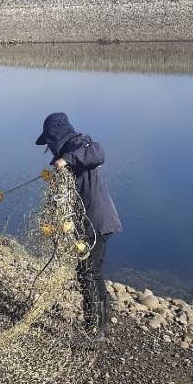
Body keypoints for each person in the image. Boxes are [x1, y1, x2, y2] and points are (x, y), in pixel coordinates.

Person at [35, 112, 122, 342]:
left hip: (96, 222)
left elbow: (98, 152)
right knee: (91, 272)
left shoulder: (78, 143)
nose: (50, 147)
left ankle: (95, 330)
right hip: (90, 223)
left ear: (56, 134)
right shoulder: (68, 151)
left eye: (50, 141)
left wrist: (67, 160)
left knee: (88, 273)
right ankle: (100, 323)